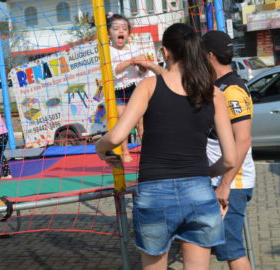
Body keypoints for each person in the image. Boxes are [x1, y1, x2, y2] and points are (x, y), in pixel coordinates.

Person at [96, 23, 237, 269]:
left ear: (165, 52)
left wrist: (99, 147)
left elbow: (117, 136)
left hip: (155, 191)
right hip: (199, 190)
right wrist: (206, 172)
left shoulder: (149, 87)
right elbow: (230, 159)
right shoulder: (213, 93)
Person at [203, 30, 256, 270]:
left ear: (210, 55)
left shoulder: (232, 89)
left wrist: (225, 184)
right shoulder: (215, 85)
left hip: (232, 184)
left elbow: (243, 140)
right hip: (217, 180)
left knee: (231, 249)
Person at [107, 14, 162, 162]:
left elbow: (143, 72)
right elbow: (115, 70)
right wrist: (131, 61)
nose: (120, 31)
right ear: (109, 33)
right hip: (119, 90)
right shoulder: (108, 51)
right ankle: (125, 152)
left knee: (140, 122)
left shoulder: (135, 48)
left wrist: (142, 65)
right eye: (116, 28)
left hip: (135, 87)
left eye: (124, 29)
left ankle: (147, 151)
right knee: (123, 120)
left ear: (128, 33)